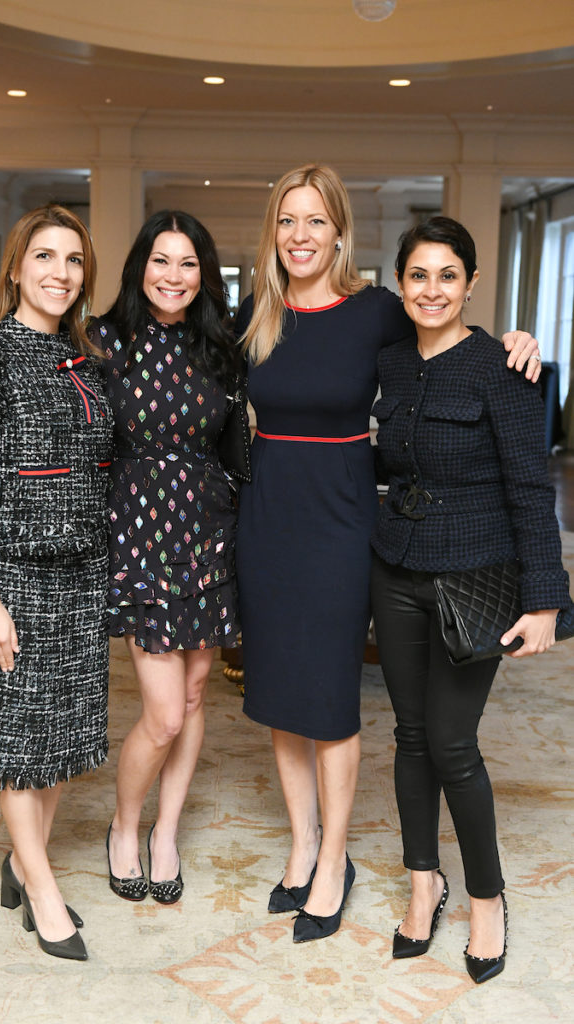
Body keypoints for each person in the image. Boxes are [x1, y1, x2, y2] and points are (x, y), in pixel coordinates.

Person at [235, 164, 542, 944]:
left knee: (329, 694)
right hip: (268, 522)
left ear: (340, 232)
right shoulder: (255, 312)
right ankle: (302, 845)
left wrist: (515, 340)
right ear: (273, 231)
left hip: (342, 526)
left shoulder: (375, 310)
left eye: (315, 220)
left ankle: (332, 861)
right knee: (279, 690)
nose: (300, 235)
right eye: (287, 220)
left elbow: (447, 341)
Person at [369, 215, 573, 982]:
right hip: (394, 570)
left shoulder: (502, 368)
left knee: (452, 744)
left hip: (473, 577)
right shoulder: (390, 361)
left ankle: (486, 898)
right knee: (409, 735)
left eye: (447, 275)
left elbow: (530, 490)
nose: (431, 290)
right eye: (417, 275)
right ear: (399, 284)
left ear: (470, 283)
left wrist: (545, 600)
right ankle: (423, 882)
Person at [0, 205, 113, 962]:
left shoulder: (85, 358)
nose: (59, 273)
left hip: (82, 574)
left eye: (73, 260)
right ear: (15, 268)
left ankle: (22, 862)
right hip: (11, 576)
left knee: (62, 735)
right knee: (17, 738)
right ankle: (42, 891)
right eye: (44, 256)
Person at [92, 210, 241, 905]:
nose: (173, 276)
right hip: (137, 531)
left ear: (203, 274)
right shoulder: (103, 340)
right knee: (165, 714)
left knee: (193, 694)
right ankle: (124, 825)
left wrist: (501, 341)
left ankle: (166, 833)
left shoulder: (224, 346)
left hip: (209, 529)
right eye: (161, 260)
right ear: (139, 267)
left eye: (188, 263)